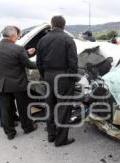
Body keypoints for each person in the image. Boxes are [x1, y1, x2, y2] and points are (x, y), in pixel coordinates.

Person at [0, 26, 38, 140]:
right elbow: (28, 64)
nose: (18, 38)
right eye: (17, 36)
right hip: (18, 83)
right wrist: (42, 64)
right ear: (13, 36)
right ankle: (27, 127)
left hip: (2, 84)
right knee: (23, 107)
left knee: (5, 109)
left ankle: (9, 133)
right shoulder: (18, 49)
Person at [36, 16, 78, 147]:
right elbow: (73, 62)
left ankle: (51, 135)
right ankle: (60, 140)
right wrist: (72, 78)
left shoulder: (43, 40)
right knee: (64, 108)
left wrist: (44, 75)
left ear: (52, 24)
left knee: (50, 105)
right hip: (63, 77)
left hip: (48, 76)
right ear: (64, 25)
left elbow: (39, 62)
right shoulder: (68, 40)